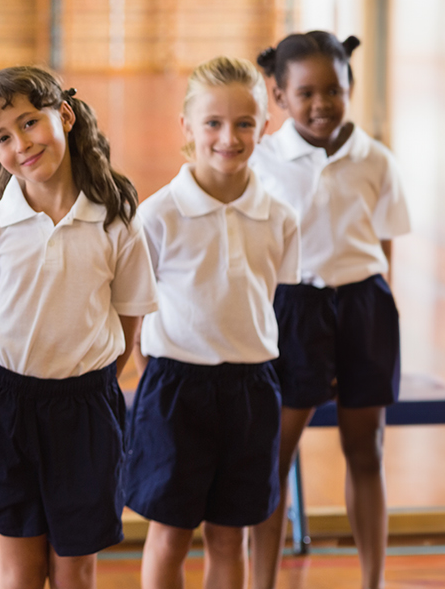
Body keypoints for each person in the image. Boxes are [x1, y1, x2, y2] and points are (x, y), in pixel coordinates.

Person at [0, 66, 158, 589]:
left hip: (87, 408)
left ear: (64, 115)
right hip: (9, 406)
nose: (21, 143)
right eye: (2, 136)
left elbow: (128, 321)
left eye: (30, 122)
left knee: (76, 569)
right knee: (19, 569)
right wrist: (0, 396)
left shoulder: (117, 219)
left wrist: (86, 385)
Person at [124, 56, 299, 589]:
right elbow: (133, 308)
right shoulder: (157, 215)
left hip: (251, 388)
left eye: (245, 123)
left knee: (229, 537)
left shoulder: (280, 217)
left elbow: (269, 300)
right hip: (176, 388)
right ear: (187, 127)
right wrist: (159, 371)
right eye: (213, 123)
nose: (229, 136)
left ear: (265, 127)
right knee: (171, 535)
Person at [245, 32, 409, 589]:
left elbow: (384, 249)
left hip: (365, 305)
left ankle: (372, 580)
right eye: (306, 92)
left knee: (367, 449)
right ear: (280, 96)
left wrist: (378, 314)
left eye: (333, 90)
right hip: (293, 309)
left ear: (351, 88)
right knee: (271, 456)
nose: (321, 103)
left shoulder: (376, 159)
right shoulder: (264, 161)